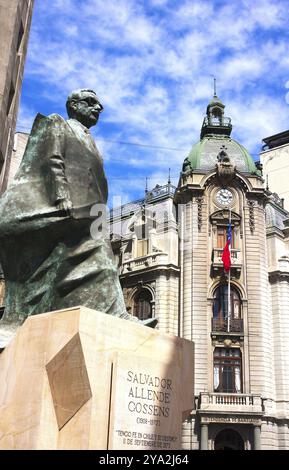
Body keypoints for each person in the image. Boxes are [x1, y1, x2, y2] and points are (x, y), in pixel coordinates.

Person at [0, 89, 157, 341]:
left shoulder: (90, 140)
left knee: (101, 259)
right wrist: (61, 195)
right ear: (74, 105)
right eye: (91, 103)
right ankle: (115, 313)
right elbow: (51, 160)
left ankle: (114, 313)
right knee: (99, 254)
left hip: (86, 212)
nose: (98, 108)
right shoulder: (57, 123)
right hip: (59, 206)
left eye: (99, 105)